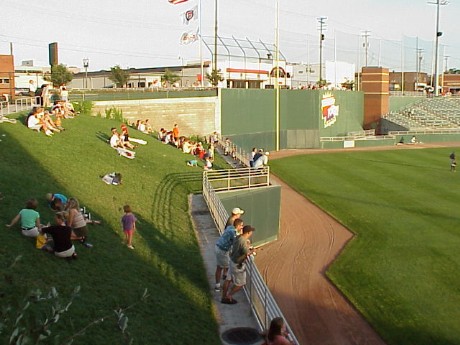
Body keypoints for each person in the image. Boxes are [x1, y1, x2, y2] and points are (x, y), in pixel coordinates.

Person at [221, 225, 256, 304]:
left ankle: (223, 297)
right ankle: (228, 296)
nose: (251, 233)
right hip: (237, 264)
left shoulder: (238, 237)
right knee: (241, 284)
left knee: (228, 280)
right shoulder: (243, 241)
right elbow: (246, 253)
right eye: (251, 232)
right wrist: (252, 250)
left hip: (232, 260)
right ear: (248, 232)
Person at [214, 219, 244, 292]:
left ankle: (219, 283)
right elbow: (237, 242)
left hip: (219, 247)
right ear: (238, 226)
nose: (242, 227)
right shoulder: (233, 232)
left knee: (221, 266)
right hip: (222, 251)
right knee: (228, 268)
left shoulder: (230, 227)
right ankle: (220, 286)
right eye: (241, 226)